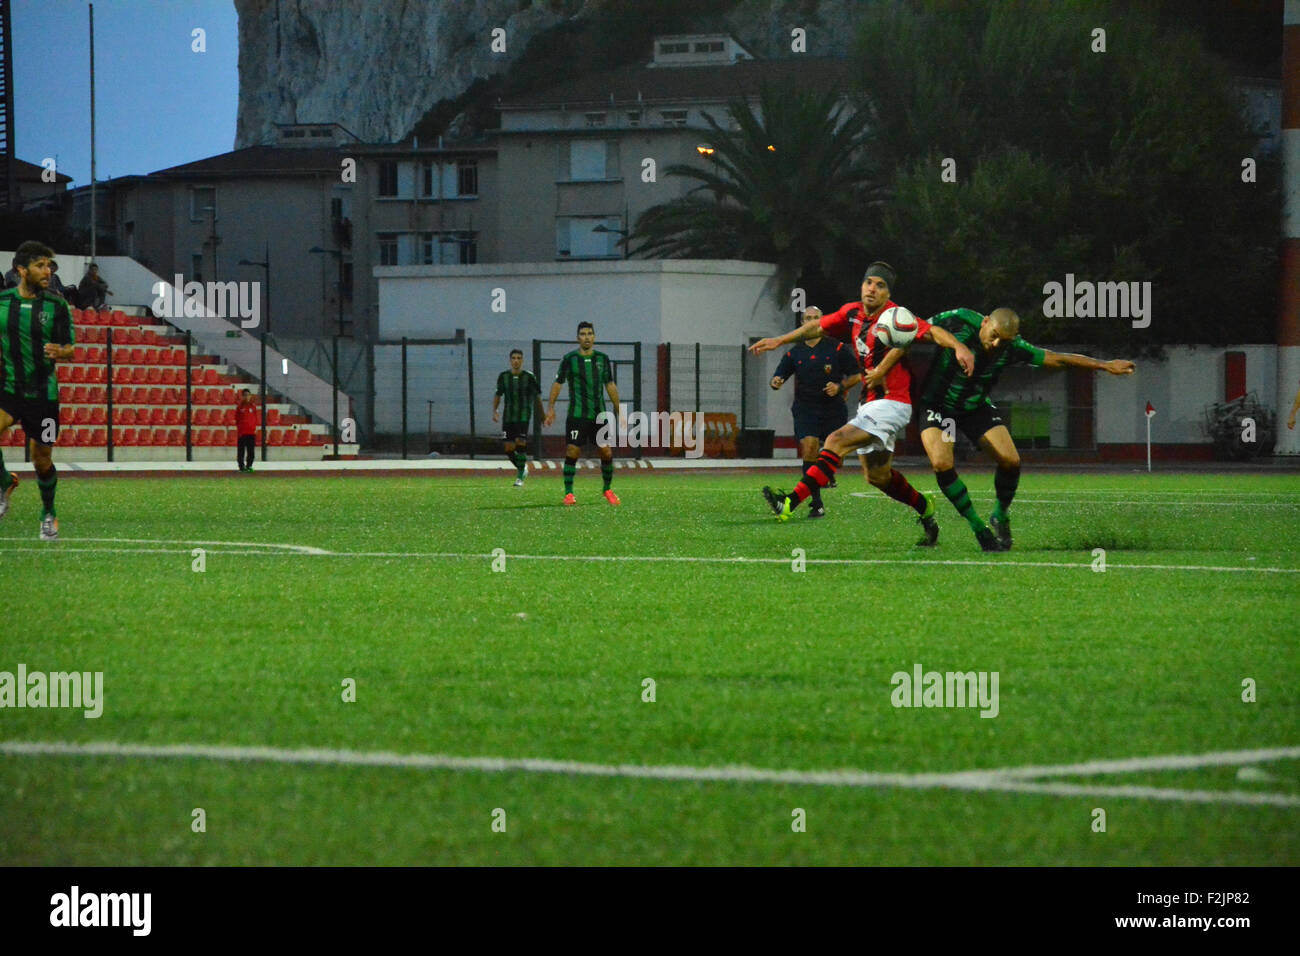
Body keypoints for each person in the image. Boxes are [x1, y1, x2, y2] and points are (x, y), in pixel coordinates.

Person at [750, 262, 975, 547]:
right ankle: (924, 507)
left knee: (835, 440)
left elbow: (931, 332)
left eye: (881, 285)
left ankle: (789, 503)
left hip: (894, 401)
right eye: (870, 282)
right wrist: (779, 340)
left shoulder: (896, 316)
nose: (873, 289)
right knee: (878, 477)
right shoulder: (852, 312)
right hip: (869, 402)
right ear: (862, 285)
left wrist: (959, 346)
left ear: (887, 293)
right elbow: (816, 327)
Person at [872, 307, 1135, 550]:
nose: (996, 344)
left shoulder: (1012, 348)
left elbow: (1057, 359)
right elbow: (917, 330)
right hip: (941, 409)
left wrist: (1104, 365)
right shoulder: (959, 320)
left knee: (1011, 460)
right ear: (985, 323)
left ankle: (1000, 514)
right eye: (994, 336)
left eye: (1004, 341)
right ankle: (978, 527)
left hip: (975, 408)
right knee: (942, 463)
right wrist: (884, 368)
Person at [0, 241, 75, 540]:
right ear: (21, 269)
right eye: (40, 266)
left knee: (40, 459)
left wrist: (61, 351)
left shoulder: (56, 305)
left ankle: (48, 513)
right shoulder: (3, 302)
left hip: (44, 395)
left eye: (50, 266)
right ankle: (4, 480)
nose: (47, 271)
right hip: (8, 389)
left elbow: (70, 348)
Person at [769, 317, 859, 517]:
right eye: (808, 319)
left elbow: (856, 374)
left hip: (833, 409)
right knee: (809, 448)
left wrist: (840, 387)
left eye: (815, 318)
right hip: (806, 407)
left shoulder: (836, 348)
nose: (812, 321)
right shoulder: (795, 352)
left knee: (836, 458)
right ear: (803, 323)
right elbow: (779, 375)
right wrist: (776, 381)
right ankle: (816, 504)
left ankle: (823, 474)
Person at [543, 321, 621, 506]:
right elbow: (558, 383)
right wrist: (551, 408)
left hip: (599, 415)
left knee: (606, 451)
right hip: (577, 415)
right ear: (578, 337)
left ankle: (607, 489)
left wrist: (619, 410)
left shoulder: (602, 359)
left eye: (589, 333)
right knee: (572, 450)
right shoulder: (569, 359)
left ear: (594, 337)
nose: (586, 337)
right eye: (583, 334)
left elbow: (609, 385)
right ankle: (569, 493)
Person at [492, 349, 544, 487]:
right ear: (510, 360)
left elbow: (537, 397)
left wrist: (542, 415)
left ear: (522, 360)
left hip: (523, 416)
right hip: (508, 416)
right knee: (508, 448)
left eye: (519, 358)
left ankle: (520, 476)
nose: (516, 360)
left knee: (520, 444)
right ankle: (523, 467)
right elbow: (498, 394)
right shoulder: (503, 376)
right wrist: (495, 410)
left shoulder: (529, 376)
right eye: (514, 358)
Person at [235, 388, 259, 472]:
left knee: (251, 451)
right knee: (241, 451)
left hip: (251, 432)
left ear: (250, 396)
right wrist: (240, 429)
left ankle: (249, 466)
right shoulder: (239, 407)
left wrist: (255, 428)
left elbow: (255, 418)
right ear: (242, 396)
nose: (247, 397)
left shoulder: (253, 406)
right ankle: (241, 467)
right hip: (242, 432)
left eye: (248, 395)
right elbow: (237, 419)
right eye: (245, 395)